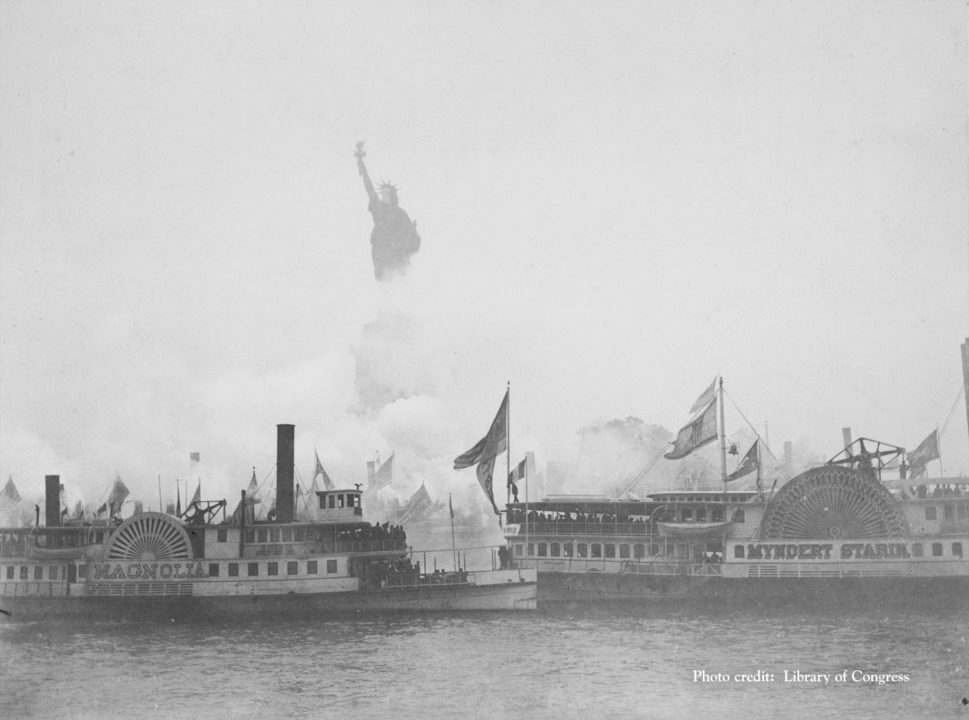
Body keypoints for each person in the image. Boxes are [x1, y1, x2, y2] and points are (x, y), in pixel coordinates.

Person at [355, 142, 421, 280]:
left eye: (386, 194)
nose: (383, 196)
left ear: (392, 196)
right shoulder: (378, 209)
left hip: (397, 256)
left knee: (399, 283)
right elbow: (369, 188)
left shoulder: (400, 213)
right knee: (384, 285)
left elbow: (409, 236)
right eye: (382, 194)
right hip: (380, 255)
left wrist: (413, 230)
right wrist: (361, 164)